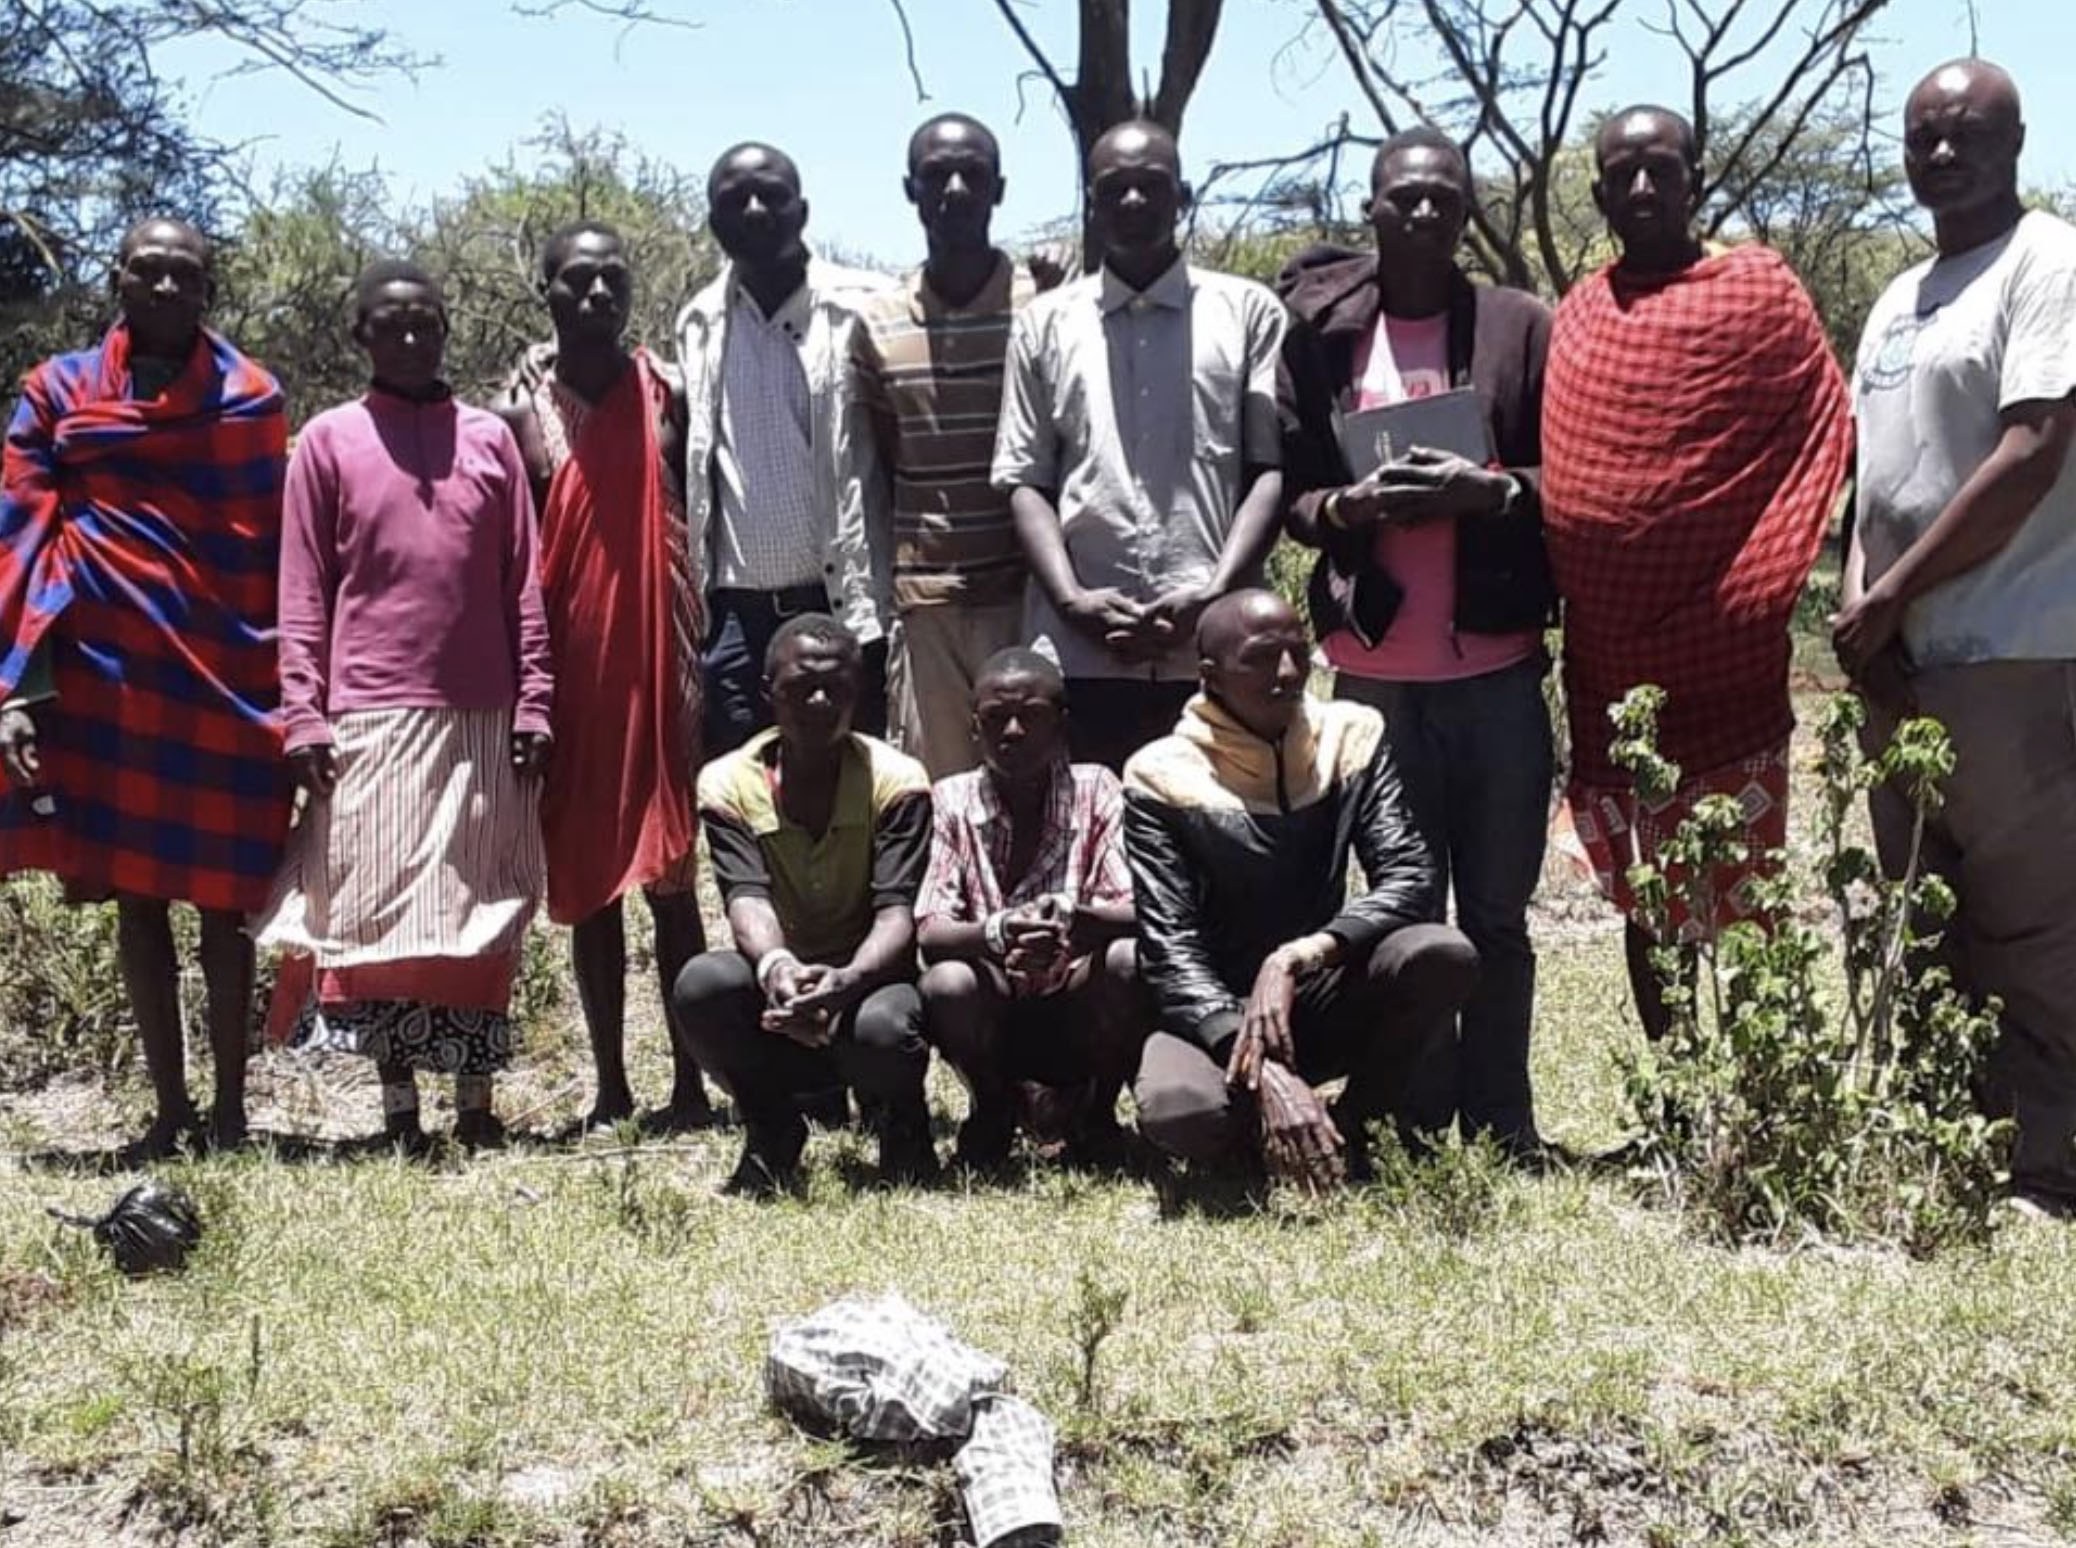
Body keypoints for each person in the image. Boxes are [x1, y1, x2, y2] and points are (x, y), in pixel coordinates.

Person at [1541, 105, 1850, 1038]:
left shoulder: (1758, 293)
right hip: (1608, 670)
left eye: (1660, 171)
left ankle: (1759, 1096)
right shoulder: (1584, 310)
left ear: (1695, 181)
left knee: (1745, 890)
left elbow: (1824, 435)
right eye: (1623, 173)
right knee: (1650, 896)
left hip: (1731, 666)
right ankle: (1677, 1093)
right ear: (1597, 193)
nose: (1641, 188)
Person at [1278, 127, 1556, 1156]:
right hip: (1371, 683)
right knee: (1402, 914)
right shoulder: (1328, 338)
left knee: (1497, 912)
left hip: (1497, 673)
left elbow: (1567, 478)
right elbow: (1292, 492)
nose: (1426, 214)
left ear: (1469, 208)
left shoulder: (1519, 326)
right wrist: (1347, 507)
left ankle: (1505, 1121)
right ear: (1374, 210)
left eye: (1445, 198)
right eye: (1406, 199)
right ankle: (1415, 1119)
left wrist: (1489, 492)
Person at [0, 217, 293, 1159]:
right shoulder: (59, 392)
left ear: (210, 287)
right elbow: (17, 538)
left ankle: (234, 1110)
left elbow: (279, 549)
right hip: (109, 683)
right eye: (149, 271)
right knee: (137, 898)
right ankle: (169, 1110)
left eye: (186, 274)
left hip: (231, 679)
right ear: (117, 278)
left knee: (228, 902)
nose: (167, 288)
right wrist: (17, 687)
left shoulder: (251, 401)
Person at [1838, 61, 2076, 1217]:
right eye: (1923, 137)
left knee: (2033, 922)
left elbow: (2030, 453)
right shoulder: (1899, 295)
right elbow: (1870, 475)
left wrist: (1895, 596)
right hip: (1900, 661)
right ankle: (1957, 1146)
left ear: (2017, 140)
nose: (1941, 155)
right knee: (1922, 911)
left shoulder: (2048, 264)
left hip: (2014, 653)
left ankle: (2049, 1164)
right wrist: (1859, 603)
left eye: (1966, 135)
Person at [260, 260, 551, 1152]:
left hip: (483, 715)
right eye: (393, 325)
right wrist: (303, 714)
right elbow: (302, 589)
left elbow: (523, 580)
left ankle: (475, 1106)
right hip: (371, 716)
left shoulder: (491, 441)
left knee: (481, 908)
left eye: (427, 322)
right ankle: (399, 1115)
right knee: (383, 918)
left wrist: (536, 699)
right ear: (362, 338)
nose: (414, 338)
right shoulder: (328, 440)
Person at [1123, 590, 1477, 1189]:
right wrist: (1258, 1060)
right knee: (1185, 1114)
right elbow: (1171, 949)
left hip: (1315, 994)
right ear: (1209, 676)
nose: (1287, 673)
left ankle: (1359, 1124)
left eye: (1296, 653)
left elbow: (1410, 876)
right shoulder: (1160, 774)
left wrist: (1296, 956)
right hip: (1213, 1010)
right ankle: (1261, 1135)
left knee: (1439, 953)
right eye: (1261, 658)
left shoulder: (1350, 735)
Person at [499, 221, 716, 1134]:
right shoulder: (518, 412)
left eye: (611, 280)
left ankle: (695, 1085)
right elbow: (516, 553)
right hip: (573, 672)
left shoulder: (667, 392)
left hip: (662, 668)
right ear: (544, 292)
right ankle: (611, 1086)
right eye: (575, 281)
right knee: (590, 885)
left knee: (673, 884)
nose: (595, 295)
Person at [993, 120, 1286, 773]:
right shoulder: (1044, 324)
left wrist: (1212, 593)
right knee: (1093, 850)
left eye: (1150, 186)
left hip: (1215, 648)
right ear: (1091, 202)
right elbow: (1025, 480)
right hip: (1080, 650)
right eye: (1113, 189)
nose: (1132, 202)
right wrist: (1073, 601)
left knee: (1219, 849)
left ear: (1180, 195)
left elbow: (1268, 472)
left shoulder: (1250, 312)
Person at [674, 614, 937, 1196]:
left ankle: (902, 1125)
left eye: (837, 688)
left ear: (858, 694)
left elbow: (897, 914)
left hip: (871, 980)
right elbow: (746, 900)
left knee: (888, 1030)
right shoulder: (727, 782)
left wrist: (845, 981)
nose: (819, 701)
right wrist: (780, 971)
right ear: (768, 692)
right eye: (799, 687)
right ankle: (772, 1127)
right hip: (785, 987)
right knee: (703, 985)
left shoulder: (898, 781)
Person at [675, 142, 891, 753]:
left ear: (802, 210)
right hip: (737, 617)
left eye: (770, 194)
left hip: (843, 603)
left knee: (857, 779)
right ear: (714, 222)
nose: (753, 209)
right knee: (745, 789)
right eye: (733, 199)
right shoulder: (698, 322)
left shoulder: (864, 307)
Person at [853, 114, 1042, 778]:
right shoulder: (875, 325)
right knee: (944, 790)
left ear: (1000, 189)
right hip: (928, 602)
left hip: (1028, 592)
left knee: (1036, 784)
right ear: (911, 190)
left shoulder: (1044, 305)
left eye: (973, 174)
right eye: (937, 175)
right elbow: (884, 453)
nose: (956, 189)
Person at [917, 648, 1142, 1168]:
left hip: (1078, 1002)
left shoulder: (1099, 788)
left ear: (1061, 724)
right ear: (974, 728)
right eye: (996, 718)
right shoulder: (949, 799)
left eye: (1031, 716)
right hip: (994, 1011)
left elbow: (1136, 909)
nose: (1013, 731)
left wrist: (1070, 924)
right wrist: (1002, 933)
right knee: (947, 984)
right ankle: (992, 1108)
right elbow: (931, 930)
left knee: (1130, 961)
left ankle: (1097, 1111)